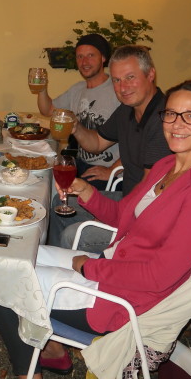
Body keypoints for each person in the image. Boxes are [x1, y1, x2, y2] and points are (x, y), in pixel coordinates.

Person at [0, 80, 191, 378]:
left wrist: (90, 268)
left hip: (125, 299)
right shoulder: (167, 165)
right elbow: (123, 215)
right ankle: (52, 352)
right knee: (12, 255)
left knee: (2, 277)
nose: (176, 124)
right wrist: (83, 190)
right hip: (115, 269)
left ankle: (29, 372)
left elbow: (158, 276)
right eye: (170, 114)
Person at [47, 45, 172, 250]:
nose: (123, 87)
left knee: (72, 235)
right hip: (126, 199)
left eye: (130, 77)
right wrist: (75, 126)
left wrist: (96, 200)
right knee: (59, 203)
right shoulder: (127, 110)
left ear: (150, 74)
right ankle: (57, 262)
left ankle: (86, 271)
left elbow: (147, 198)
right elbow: (96, 143)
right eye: (116, 80)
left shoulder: (164, 121)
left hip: (144, 221)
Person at [37, 33, 121, 189]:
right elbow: (47, 110)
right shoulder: (77, 89)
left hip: (107, 173)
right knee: (44, 179)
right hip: (82, 164)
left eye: (90, 55)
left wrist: (112, 170)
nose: (84, 62)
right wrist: (41, 88)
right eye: (80, 56)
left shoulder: (118, 90)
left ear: (103, 58)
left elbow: (137, 141)